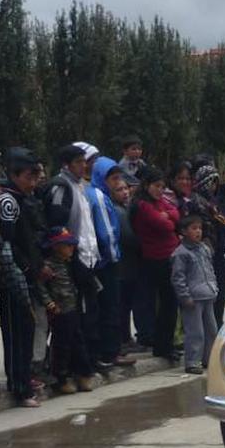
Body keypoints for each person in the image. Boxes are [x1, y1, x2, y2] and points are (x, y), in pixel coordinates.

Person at [0, 148, 45, 407]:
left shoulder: (25, 199)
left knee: (28, 329)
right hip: (14, 277)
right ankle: (19, 386)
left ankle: (25, 378)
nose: (33, 183)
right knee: (17, 333)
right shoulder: (8, 201)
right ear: (14, 174)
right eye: (28, 177)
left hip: (29, 273)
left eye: (36, 177)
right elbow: (7, 244)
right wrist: (25, 269)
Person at [45, 145, 101, 362]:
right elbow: (57, 223)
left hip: (89, 257)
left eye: (83, 161)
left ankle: (89, 358)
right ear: (66, 164)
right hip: (72, 258)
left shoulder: (81, 187)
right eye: (77, 162)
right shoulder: (61, 186)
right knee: (72, 316)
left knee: (89, 311)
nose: (83, 166)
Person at [88, 156, 136, 370]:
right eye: (114, 178)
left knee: (111, 307)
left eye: (119, 178)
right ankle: (110, 352)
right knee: (109, 307)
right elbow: (106, 233)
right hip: (106, 261)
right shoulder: (98, 197)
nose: (118, 184)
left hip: (103, 260)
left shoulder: (100, 196)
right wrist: (113, 255)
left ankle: (110, 350)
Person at [35, 227, 95, 394]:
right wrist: (50, 303)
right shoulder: (48, 266)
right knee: (62, 345)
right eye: (66, 245)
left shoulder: (70, 264)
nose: (71, 248)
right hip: (59, 311)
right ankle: (61, 378)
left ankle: (82, 373)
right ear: (55, 247)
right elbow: (40, 287)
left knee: (78, 342)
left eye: (71, 244)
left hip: (73, 308)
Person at [130, 166, 180, 360]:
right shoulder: (142, 205)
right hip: (156, 258)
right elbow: (164, 224)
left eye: (162, 186)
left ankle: (166, 344)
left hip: (168, 255)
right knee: (165, 303)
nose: (160, 190)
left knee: (170, 303)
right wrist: (168, 218)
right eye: (157, 186)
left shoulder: (159, 202)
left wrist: (168, 216)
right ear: (147, 185)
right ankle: (162, 345)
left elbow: (175, 214)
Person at [171, 214, 218, 374]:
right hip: (193, 298)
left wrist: (214, 287)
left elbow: (210, 271)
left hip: (208, 294)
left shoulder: (204, 249)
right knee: (195, 331)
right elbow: (178, 278)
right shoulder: (181, 253)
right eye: (194, 228)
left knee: (211, 329)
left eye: (199, 228)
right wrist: (185, 296)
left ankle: (208, 358)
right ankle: (192, 361)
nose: (198, 232)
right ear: (184, 231)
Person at [187, 162, 225, 325]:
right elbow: (222, 222)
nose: (214, 186)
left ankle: (216, 322)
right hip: (209, 250)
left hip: (216, 247)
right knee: (215, 289)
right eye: (212, 182)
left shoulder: (209, 201)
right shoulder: (200, 202)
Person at [112, 173, 148, 351]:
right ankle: (123, 339)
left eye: (126, 188)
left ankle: (126, 337)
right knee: (123, 305)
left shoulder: (126, 208)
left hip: (129, 264)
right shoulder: (118, 211)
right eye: (119, 189)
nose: (125, 192)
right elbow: (127, 236)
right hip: (124, 264)